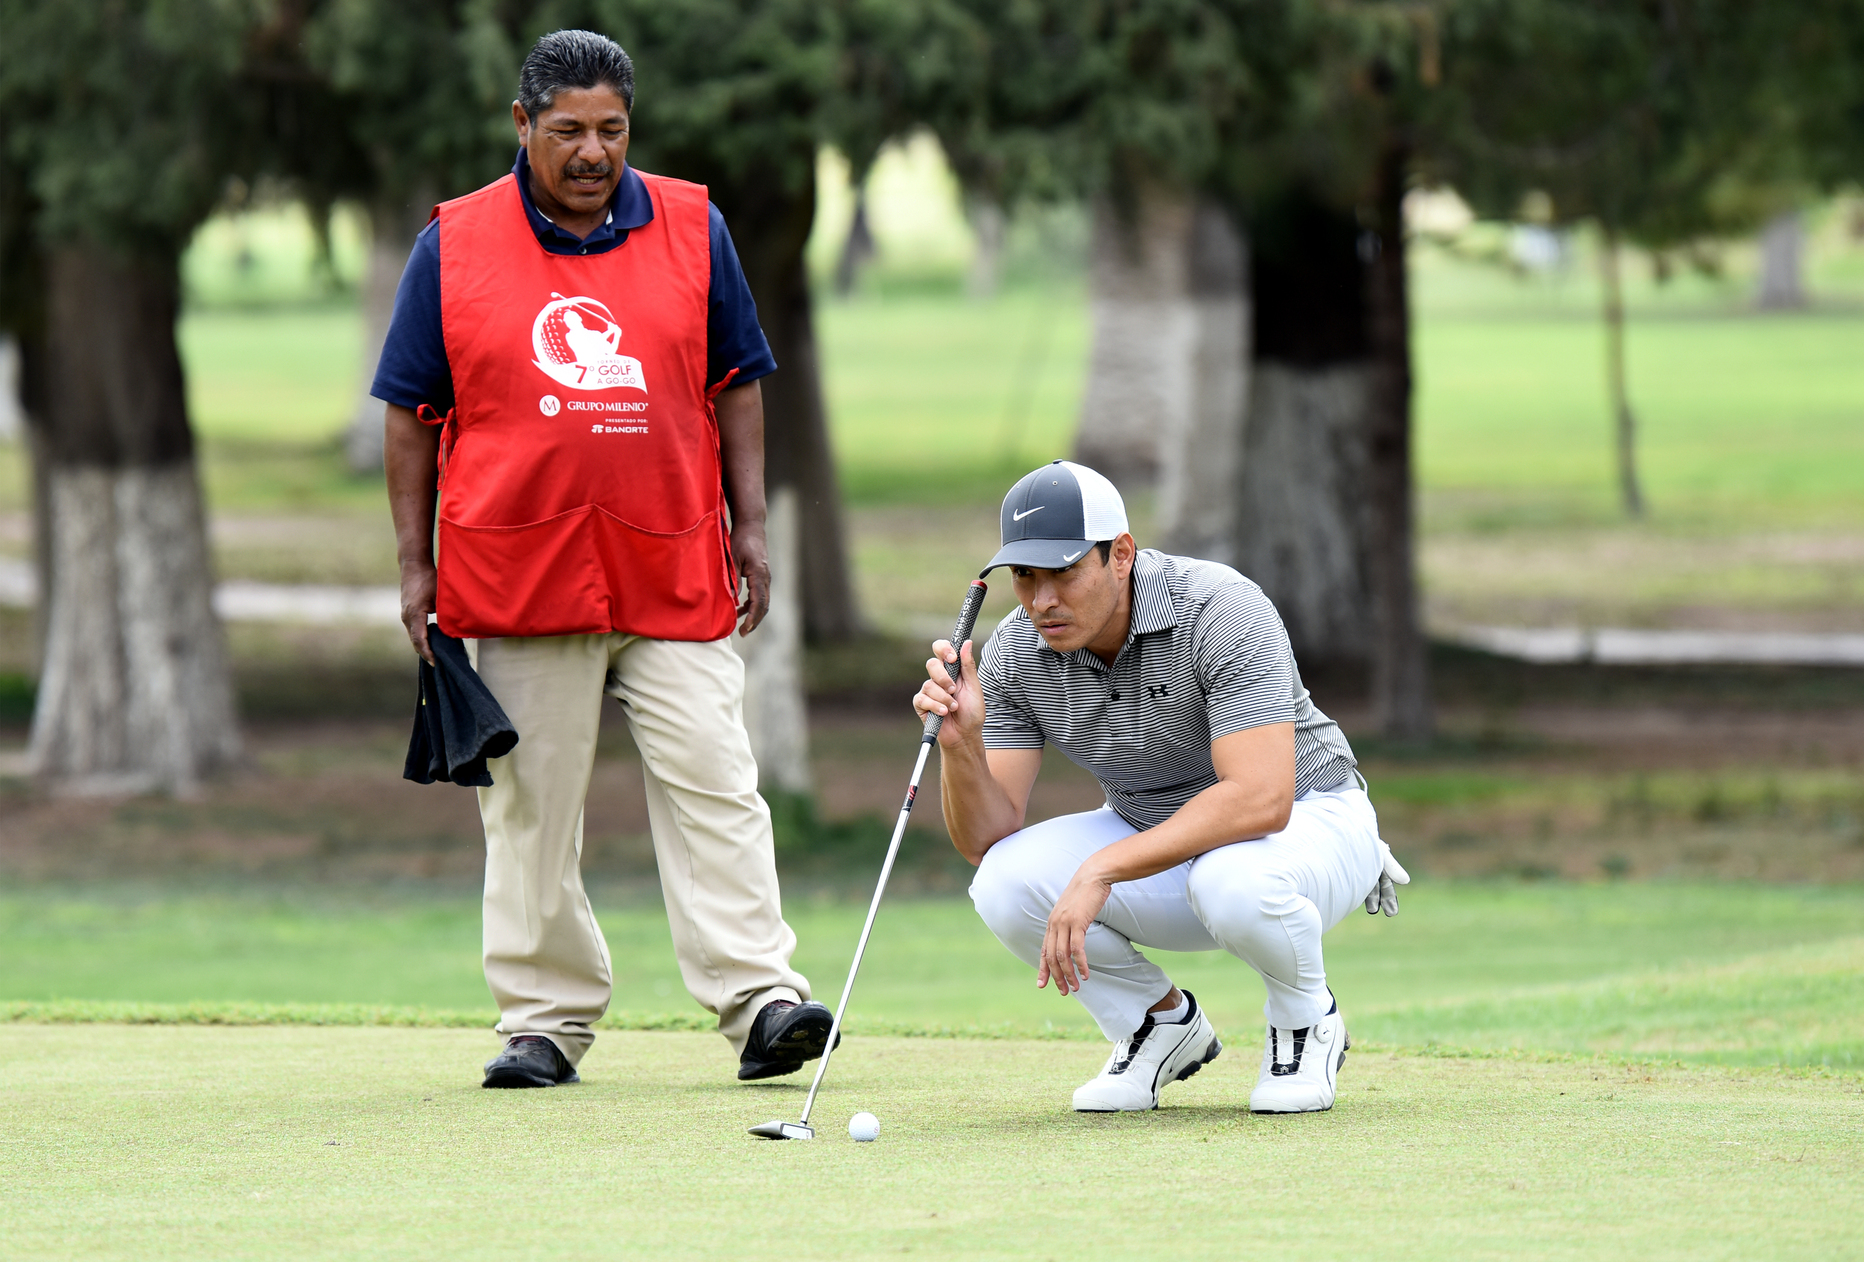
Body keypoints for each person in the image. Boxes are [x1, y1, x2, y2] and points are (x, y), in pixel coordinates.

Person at [374, 30, 832, 1089]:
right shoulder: (453, 243)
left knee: (717, 778)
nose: (593, 152)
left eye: (612, 130)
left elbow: (738, 381)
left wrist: (750, 525)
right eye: (570, 130)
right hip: (518, 573)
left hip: (671, 559)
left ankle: (762, 999)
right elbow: (410, 413)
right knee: (531, 805)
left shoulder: (692, 223)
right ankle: (543, 1021)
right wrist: (413, 566)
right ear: (522, 124)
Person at [913, 460, 1409, 1114]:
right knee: (1005, 881)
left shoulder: (1220, 608)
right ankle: (1156, 1026)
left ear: (1121, 556)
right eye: (1024, 578)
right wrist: (962, 747)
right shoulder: (1011, 653)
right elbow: (987, 838)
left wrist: (1101, 870)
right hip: (1160, 837)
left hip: (1310, 825)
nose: (1041, 601)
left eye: (1063, 572)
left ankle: (1305, 1018)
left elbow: (1262, 798)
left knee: (1231, 880)